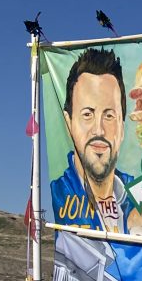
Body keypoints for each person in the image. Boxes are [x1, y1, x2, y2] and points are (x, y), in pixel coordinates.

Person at [51, 48, 135, 232]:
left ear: (122, 127)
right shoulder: (58, 194)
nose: (99, 130)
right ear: (69, 122)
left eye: (109, 115)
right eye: (87, 114)